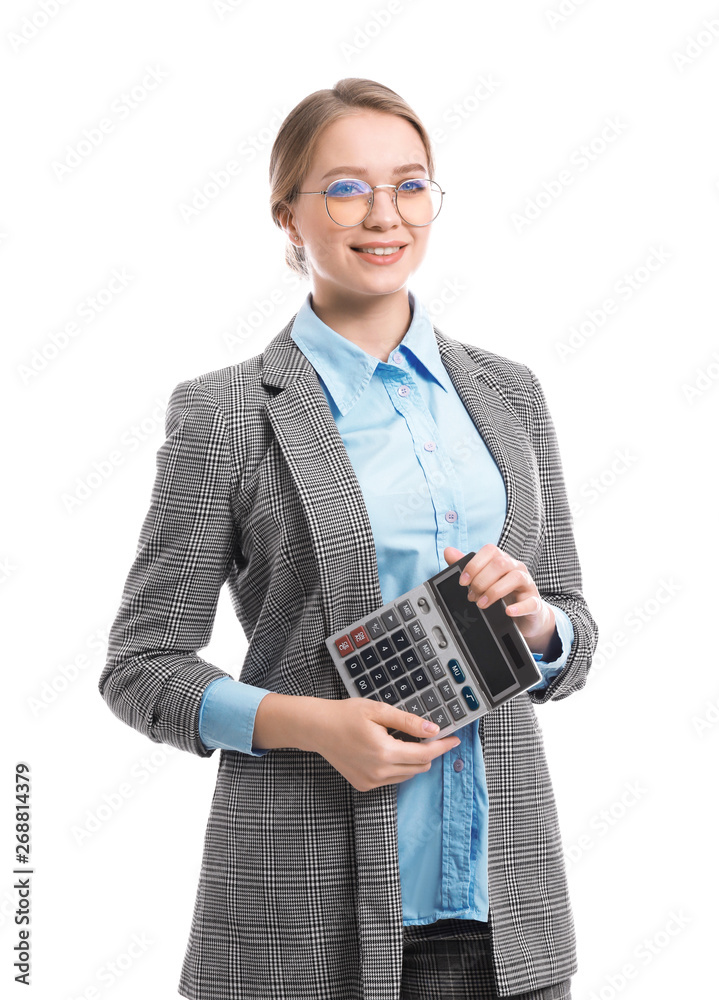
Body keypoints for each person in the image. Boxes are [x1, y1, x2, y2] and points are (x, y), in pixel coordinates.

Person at [99, 77, 598, 1000]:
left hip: (504, 910)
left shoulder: (508, 394)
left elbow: (571, 626)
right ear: (287, 216)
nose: (384, 214)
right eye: (344, 188)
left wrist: (537, 627)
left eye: (410, 185)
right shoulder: (226, 414)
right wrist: (309, 724)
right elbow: (140, 667)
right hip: (301, 912)